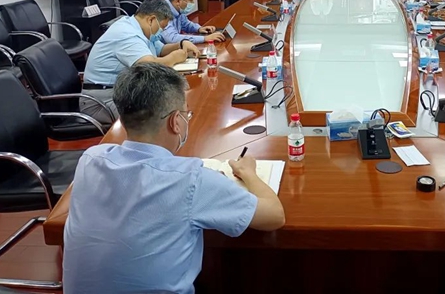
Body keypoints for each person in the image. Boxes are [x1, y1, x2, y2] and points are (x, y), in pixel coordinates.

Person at [64, 63, 285, 294]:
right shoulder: (192, 180)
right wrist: (248, 173)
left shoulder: (90, 159)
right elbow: (274, 216)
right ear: (175, 121)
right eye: (186, 113)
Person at [81, 0, 199, 121]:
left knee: (169, 101)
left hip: (123, 92)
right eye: (162, 28)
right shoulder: (127, 34)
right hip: (102, 100)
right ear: (151, 20)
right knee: (157, 116)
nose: (162, 32)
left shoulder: (140, 28)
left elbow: (161, 49)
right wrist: (173, 58)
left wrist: (181, 44)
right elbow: (149, 66)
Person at [162, 0, 226, 45]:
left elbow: (186, 24)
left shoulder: (177, 9)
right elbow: (172, 39)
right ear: (178, 1)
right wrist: (205, 38)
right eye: (190, 0)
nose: (192, 3)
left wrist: (199, 29)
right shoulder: (163, 12)